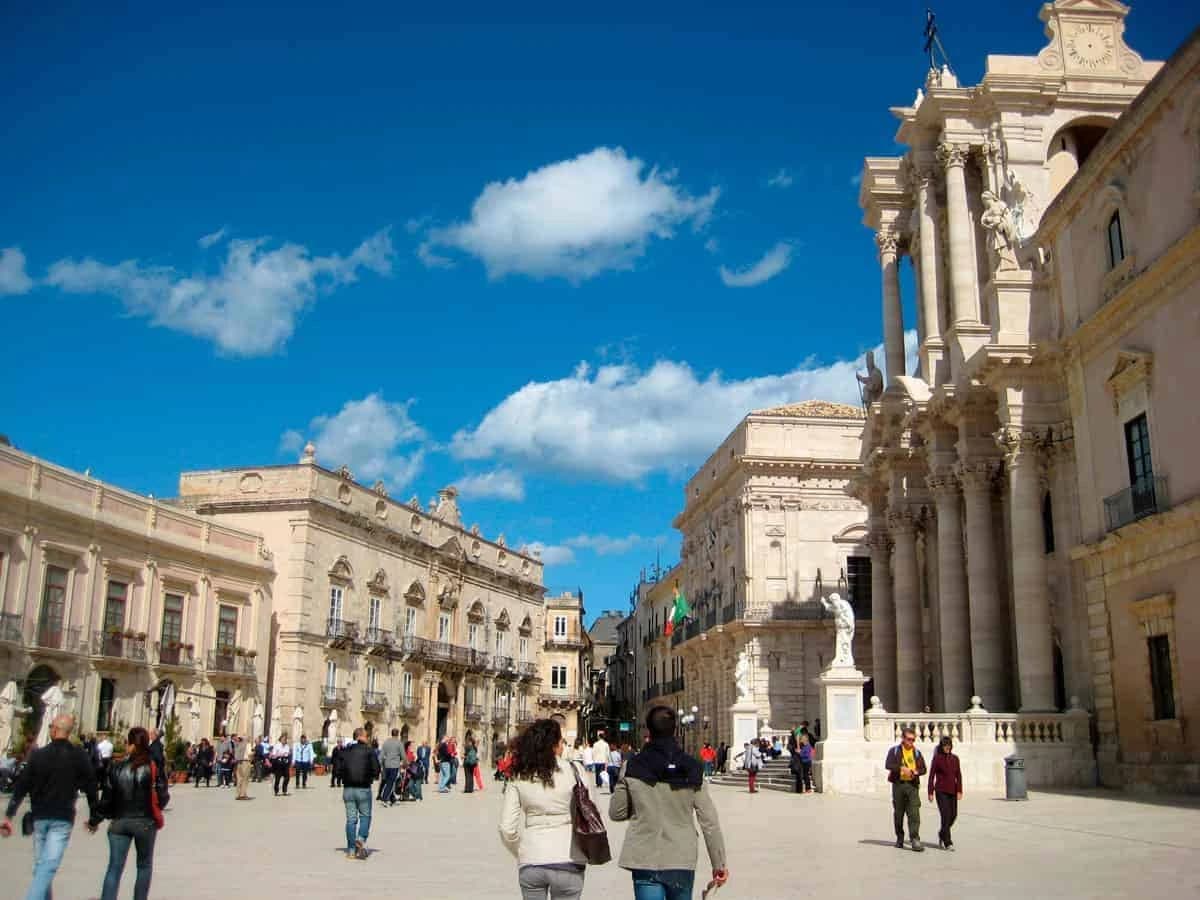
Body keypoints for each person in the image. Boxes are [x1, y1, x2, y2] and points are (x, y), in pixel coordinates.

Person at [610, 706, 728, 900]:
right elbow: (709, 821)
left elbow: (617, 812)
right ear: (675, 729)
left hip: (644, 855)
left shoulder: (632, 766)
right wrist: (719, 864)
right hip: (680, 856)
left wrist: (641, 803)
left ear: (648, 730)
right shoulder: (693, 768)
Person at [1, 713, 100, 900]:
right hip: (62, 817)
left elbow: (22, 786)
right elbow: (91, 786)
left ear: (54, 730)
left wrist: (9, 815)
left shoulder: (38, 755)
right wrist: (94, 816)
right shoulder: (79, 756)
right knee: (45, 868)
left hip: (40, 817)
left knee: (43, 867)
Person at [498, 718, 589, 899]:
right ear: (555, 745)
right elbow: (591, 812)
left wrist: (522, 850)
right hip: (569, 858)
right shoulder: (575, 771)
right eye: (561, 742)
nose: (563, 746)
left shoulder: (519, 775)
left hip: (532, 858)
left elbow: (506, 827)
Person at [89, 726, 168, 900]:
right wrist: (156, 807)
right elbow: (163, 795)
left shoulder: (116, 768)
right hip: (145, 822)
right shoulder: (152, 767)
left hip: (120, 822)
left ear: (131, 745)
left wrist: (95, 820)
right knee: (144, 867)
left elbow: (106, 799)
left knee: (114, 868)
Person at [340, 727, 380, 860]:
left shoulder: (345, 751)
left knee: (351, 820)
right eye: (367, 735)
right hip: (363, 788)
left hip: (348, 789)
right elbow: (376, 770)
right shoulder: (370, 751)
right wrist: (371, 777)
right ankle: (361, 839)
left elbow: (338, 769)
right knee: (365, 816)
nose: (368, 738)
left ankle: (351, 850)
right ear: (361, 736)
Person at [885, 727, 927, 852]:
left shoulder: (917, 752)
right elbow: (888, 765)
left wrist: (916, 771)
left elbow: (924, 768)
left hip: (912, 786)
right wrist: (901, 769)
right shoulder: (895, 751)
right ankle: (900, 837)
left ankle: (915, 839)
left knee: (914, 812)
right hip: (898, 785)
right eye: (909, 739)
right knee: (899, 813)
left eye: (913, 740)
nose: (911, 742)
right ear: (903, 738)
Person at [928, 736, 963, 850]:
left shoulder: (955, 759)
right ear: (941, 746)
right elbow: (931, 775)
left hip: (952, 791)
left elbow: (958, 775)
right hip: (941, 791)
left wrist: (959, 790)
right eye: (945, 745)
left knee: (953, 815)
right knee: (945, 815)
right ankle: (948, 842)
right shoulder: (937, 758)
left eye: (949, 745)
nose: (947, 747)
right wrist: (930, 791)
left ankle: (942, 833)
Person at [379, 729, 404, 804]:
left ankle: (392, 799)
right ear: (398, 734)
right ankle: (384, 798)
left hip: (386, 766)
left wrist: (380, 765)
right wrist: (406, 763)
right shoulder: (399, 743)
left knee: (388, 782)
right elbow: (403, 755)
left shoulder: (386, 742)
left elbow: (381, 755)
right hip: (394, 766)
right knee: (391, 783)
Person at [232, 735, 252, 800]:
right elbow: (249, 753)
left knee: (239, 779)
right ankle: (243, 794)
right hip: (245, 762)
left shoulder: (238, 745)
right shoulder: (247, 744)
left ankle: (238, 794)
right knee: (245, 779)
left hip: (238, 763)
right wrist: (254, 753)